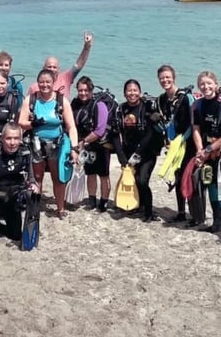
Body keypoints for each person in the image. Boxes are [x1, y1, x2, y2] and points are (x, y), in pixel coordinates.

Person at [18, 69, 79, 218]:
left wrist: (74, 148)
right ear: (37, 83)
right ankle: (35, 208)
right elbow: (21, 122)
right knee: (37, 178)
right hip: (36, 144)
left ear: (53, 83)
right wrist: (33, 124)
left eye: (48, 82)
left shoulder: (61, 101)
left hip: (56, 145)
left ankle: (60, 209)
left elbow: (71, 126)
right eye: (41, 82)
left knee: (58, 179)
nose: (44, 85)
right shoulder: (31, 100)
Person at [191, 70, 221, 244]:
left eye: (209, 83)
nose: (206, 87)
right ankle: (217, 223)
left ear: (216, 85)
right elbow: (196, 129)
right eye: (202, 84)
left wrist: (209, 149)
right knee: (210, 186)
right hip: (207, 150)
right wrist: (200, 151)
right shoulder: (197, 105)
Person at [114, 79, 166, 222]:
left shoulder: (146, 108)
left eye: (135, 90)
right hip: (129, 152)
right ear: (124, 93)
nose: (132, 93)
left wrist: (138, 152)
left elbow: (150, 133)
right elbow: (115, 134)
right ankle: (139, 205)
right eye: (129, 90)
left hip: (147, 151)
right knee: (134, 180)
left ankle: (149, 212)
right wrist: (121, 156)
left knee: (142, 180)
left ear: (140, 92)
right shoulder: (121, 110)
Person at [156, 64, 196, 223]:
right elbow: (165, 123)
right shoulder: (162, 100)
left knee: (189, 177)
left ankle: (195, 214)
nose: (164, 80)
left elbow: (193, 124)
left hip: (188, 143)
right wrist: (167, 141)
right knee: (178, 177)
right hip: (173, 144)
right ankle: (181, 212)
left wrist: (181, 140)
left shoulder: (186, 98)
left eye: (167, 77)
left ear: (173, 77)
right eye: (161, 78)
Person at [71, 76, 113, 212]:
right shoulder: (75, 103)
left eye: (86, 90)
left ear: (91, 90)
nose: (83, 93)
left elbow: (100, 130)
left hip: (101, 145)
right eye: (80, 90)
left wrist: (83, 142)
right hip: (87, 145)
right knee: (90, 173)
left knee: (104, 175)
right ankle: (92, 201)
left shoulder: (99, 105)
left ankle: (104, 203)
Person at [27, 31, 93, 97]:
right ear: (43, 68)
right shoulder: (35, 87)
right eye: (49, 67)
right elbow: (26, 103)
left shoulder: (66, 78)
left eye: (54, 67)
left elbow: (78, 65)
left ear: (59, 69)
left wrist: (87, 46)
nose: (52, 69)